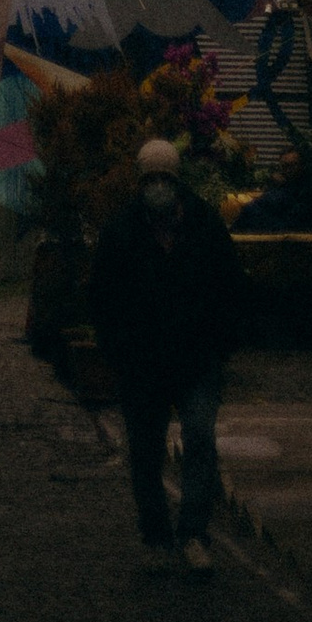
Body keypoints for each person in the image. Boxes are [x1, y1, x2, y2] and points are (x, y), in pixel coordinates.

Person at [88, 135, 249, 577]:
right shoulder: (121, 232)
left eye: (165, 178)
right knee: (144, 450)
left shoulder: (203, 226)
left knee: (199, 439)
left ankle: (194, 532)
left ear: (176, 180)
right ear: (141, 182)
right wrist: (117, 349)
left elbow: (230, 285)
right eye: (150, 178)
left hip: (197, 359)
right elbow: (103, 297)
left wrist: (222, 343)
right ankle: (157, 529)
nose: (158, 186)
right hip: (142, 364)